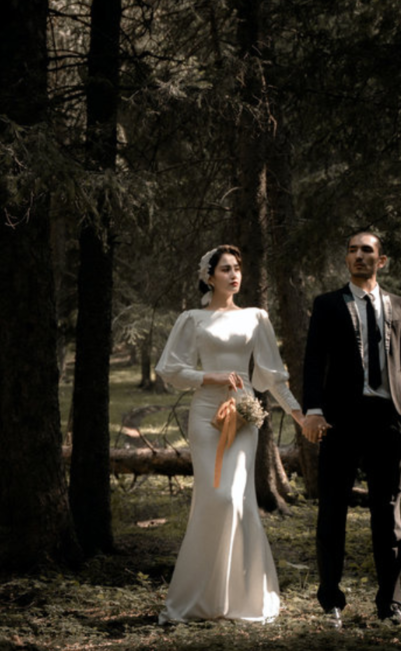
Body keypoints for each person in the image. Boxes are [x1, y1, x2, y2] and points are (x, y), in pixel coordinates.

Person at [155, 245, 307, 624]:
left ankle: (245, 598)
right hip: (206, 415)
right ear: (209, 277)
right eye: (225, 269)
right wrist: (210, 376)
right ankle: (201, 598)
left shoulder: (256, 317)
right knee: (214, 499)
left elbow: (272, 376)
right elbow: (171, 370)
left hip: (243, 415)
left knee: (236, 500)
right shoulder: (192, 319)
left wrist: (299, 414)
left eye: (237, 268)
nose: (234, 274)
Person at [299, 231, 401, 630]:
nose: (358, 256)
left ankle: (391, 605)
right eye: (352, 250)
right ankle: (331, 602)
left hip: (388, 421)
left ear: (381, 260)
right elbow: (313, 361)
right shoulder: (328, 304)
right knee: (332, 510)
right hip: (341, 421)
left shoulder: (400, 306)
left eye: (367, 250)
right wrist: (314, 410)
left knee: (388, 512)